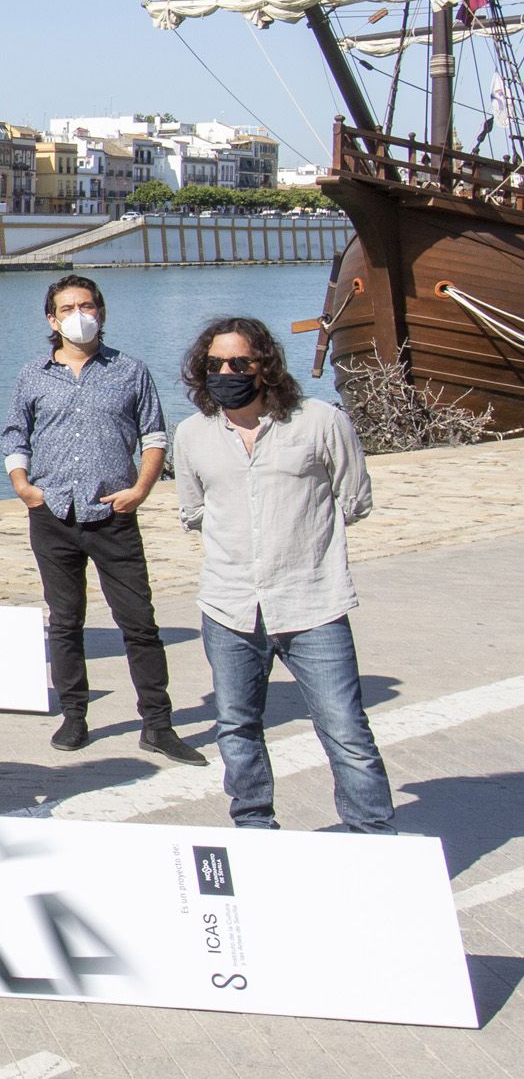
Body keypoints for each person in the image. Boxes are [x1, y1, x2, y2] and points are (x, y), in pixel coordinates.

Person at [173, 318, 392, 831]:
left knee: (346, 732)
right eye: (214, 365)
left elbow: (354, 499)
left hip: (312, 603)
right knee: (236, 729)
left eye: (239, 363)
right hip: (229, 608)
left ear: (264, 366)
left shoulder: (319, 421)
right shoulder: (192, 435)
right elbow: (194, 510)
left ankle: (376, 840)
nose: (226, 372)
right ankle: (254, 831)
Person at [0, 274, 203, 764]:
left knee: (139, 622)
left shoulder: (130, 371)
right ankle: (75, 717)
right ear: (52, 319)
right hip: (53, 514)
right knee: (66, 623)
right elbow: (13, 434)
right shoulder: (33, 374)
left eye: (87, 306)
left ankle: (157, 723)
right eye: (67, 308)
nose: (78, 315)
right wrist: (24, 486)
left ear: (102, 313)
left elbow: (154, 435)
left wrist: (141, 489)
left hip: (113, 512)